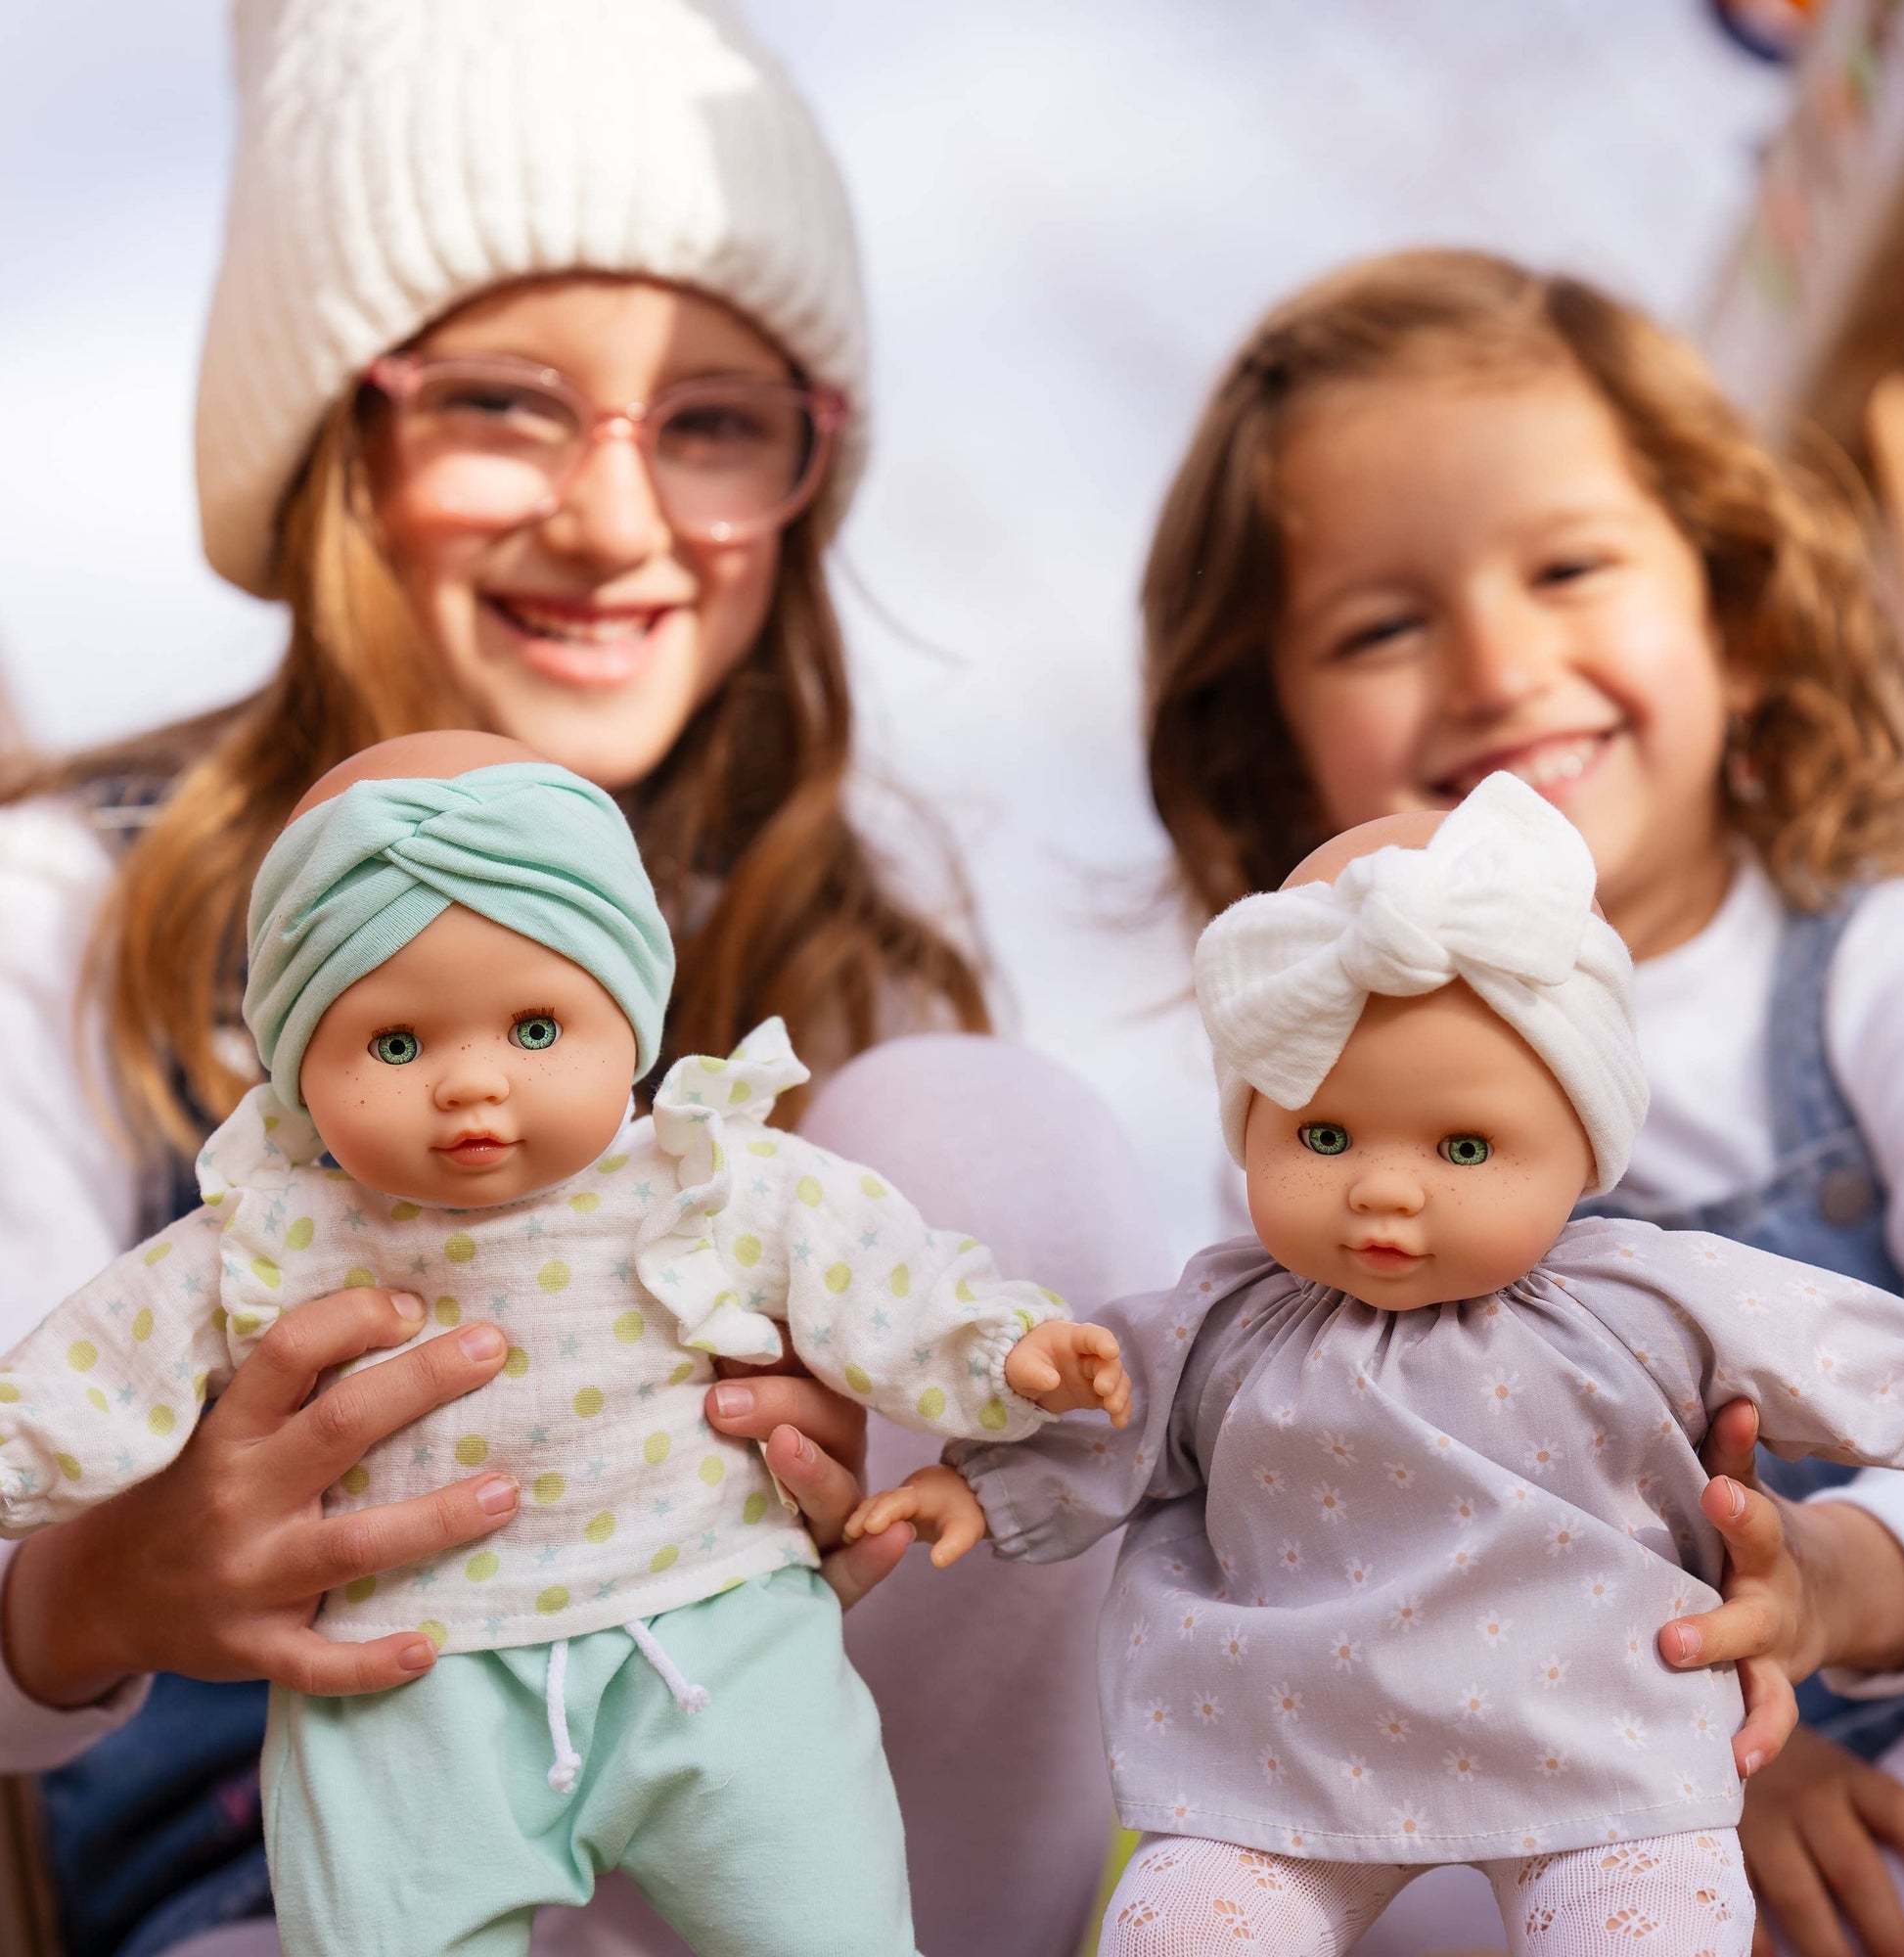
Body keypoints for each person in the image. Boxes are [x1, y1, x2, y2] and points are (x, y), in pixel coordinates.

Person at [0, 5, 1150, 1952]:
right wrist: (108, 1580)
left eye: (713, 420)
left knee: (990, 1143)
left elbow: (1021, 1417)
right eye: (507, 402)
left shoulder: (831, 941)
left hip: (784, 1814)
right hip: (305, 1866)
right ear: (329, 429)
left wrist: (876, 1440)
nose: (616, 516)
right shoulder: (69, 912)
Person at [1135, 245, 1904, 1955]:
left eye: (1571, 566)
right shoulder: (1307, 1122)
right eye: (1381, 625)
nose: (1501, 668)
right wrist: (1660, 1771)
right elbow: (1338, 1546)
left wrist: (1832, 1599)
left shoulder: (1886, 980)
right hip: (1534, 1787)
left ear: (1733, 611)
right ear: (1268, 742)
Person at [857, 775, 1904, 1954]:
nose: (1383, 1186)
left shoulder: (1644, 1298)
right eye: (1321, 1136)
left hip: (1594, 1734)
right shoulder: (1222, 1322)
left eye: (1464, 1145)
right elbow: (1110, 1410)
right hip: (1284, 1758)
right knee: (1179, 1929)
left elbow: (1826, 1341)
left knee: (1647, 1925)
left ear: (1581, 1145)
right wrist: (976, 1481)